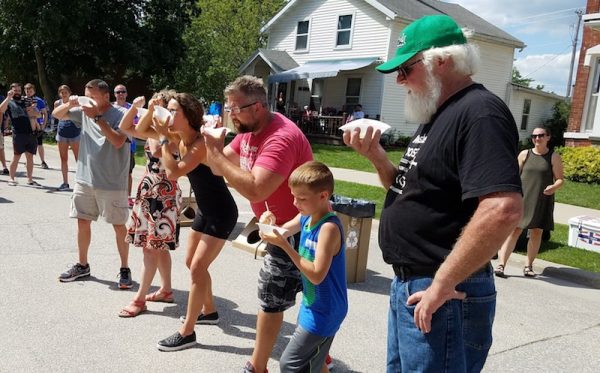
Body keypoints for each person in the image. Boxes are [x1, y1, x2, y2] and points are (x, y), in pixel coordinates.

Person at [342, 15, 523, 372]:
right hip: (415, 285)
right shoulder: (439, 113)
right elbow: (411, 190)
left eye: (406, 70)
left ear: (441, 60)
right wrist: (377, 158)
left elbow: (503, 208)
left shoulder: (479, 112)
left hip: (445, 291)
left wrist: (443, 282)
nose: (399, 81)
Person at [202, 75, 313, 373]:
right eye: (229, 107)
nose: (231, 113)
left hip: (302, 230)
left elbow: (255, 189)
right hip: (279, 229)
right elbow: (219, 166)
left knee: (283, 298)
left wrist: (216, 154)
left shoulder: (281, 137)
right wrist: (212, 146)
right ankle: (311, 358)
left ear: (259, 106)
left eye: (236, 107)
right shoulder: (248, 131)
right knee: (280, 297)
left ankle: (258, 366)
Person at [154, 92, 238, 351]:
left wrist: (164, 139)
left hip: (222, 211)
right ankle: (210, 311)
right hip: (205, 209)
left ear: (188, 115)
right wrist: (153, 115)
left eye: (173, 110)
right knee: (192, 263)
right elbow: (140, 131)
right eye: (167, 109)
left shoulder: (199, 143)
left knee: (197, 269)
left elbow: (174, 172)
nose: (168, 114)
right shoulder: (182, 138)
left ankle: (187, 331)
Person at [259, 161, 347, 373]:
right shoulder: (306, 215)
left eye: (302, 198)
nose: (295, 202)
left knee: (290, 364)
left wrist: (286, 247)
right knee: (316, 363)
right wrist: (268, 224)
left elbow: (317, 275)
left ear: (323, 196)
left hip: (325, 310)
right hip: (312, 304)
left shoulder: (328, 228)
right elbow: (279, 233)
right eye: (294, 196)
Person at [53, 79, 133, 289]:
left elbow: (118, 141)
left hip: (112, 181)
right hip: (85, 179)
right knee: (82, 221)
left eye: (93, 97)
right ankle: (82, 265)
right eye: (86, 96)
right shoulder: (84, 111)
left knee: (118, 225)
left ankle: (125, 268)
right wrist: (69, 104)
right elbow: (56, 115)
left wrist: (97, 118)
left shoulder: (121, 115)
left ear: (106, 96)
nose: (88, 101)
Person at [117, 90, 182, 318]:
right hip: (148, 191)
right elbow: (125, 127)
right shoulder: (155, 130)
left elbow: (155, 150)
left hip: (162, 195)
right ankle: (165, 289)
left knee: (150, 247)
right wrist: (136, 108)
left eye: (164, 108)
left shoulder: (175, 135)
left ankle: (139, 299)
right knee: (157, 247)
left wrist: (156, 118)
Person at [495, 126, 564, 278]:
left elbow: (560, 179)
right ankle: (501, 265)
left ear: (548, 137)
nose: (537, 138)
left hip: (542, 199)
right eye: (534, 136)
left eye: (540, 135)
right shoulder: (524, 154)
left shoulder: (553, 157)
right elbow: (514, 175)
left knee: (536, 232)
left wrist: (553, 187)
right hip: (522, 198)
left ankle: (528, 266)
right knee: (514, 231)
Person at [0, 83, 40, 186]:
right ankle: (11, 178)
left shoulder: (26, 100)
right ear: (11, 91)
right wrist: (8, 97)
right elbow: (1, 109)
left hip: (31, 133)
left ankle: (30, 179)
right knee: (16, 156)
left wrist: (35, 112)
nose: (17, 92)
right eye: (15, 91)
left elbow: (37, 113)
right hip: (18, 133)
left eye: (18, 90)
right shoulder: (9, 102)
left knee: (30, 157)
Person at [112, 84, 137, 207]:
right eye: (118, 92)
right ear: (114, 94)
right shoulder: (110, 108)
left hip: (129, 145)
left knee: (128, 173)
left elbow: (137, 124)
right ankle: (113, 196)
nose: (120, 94)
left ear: (126, 94)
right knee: (113, 171)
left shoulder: (133, 109)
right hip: (112, 145)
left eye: (123, 91)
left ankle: (127, 197)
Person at [54, 85, 81, 190]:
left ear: (69, 93)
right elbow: (56, 116)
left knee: (78, 159)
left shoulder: (75, 102)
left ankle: (80, 182)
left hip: (75, 132)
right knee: (63, 158)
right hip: (62, 133)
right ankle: (65, 182)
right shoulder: (57, 103)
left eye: (65, 92)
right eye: (61, 92)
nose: (63, 94)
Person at [24, 83, 49, 169]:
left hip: (38, 125)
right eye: (27, 90)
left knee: (39, 143)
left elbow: (45, 114)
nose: (29, 92)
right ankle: (28, 160)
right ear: (24, 91)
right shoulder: (22, 100)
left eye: (30, 91)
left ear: (34, 91)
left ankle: (43, 161)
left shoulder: (39, 100)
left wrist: (43, 125)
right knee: (26, 144)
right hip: (26, 125)